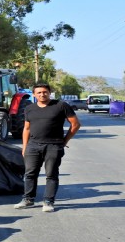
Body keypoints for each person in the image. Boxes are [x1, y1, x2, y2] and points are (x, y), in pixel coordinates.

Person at [14, 83, 80, 212]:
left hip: (53, 145)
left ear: (49, 92)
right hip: (33, 146)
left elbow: (75, 124)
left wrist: (64, 140)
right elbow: (26, 129)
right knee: (30, 174)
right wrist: (25, 147)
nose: (42, 94)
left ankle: (48, 201)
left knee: (51, 174)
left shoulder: (61, 105)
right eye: (38, 93)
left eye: (44, 92)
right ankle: (28, 199)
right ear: (34, 94)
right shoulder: (29, 108)